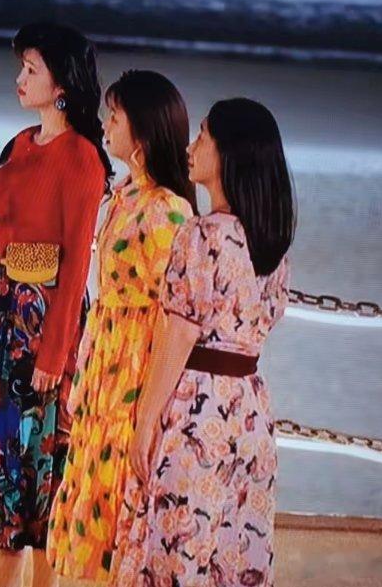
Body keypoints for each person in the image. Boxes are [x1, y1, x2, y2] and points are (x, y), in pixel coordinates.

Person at [0, 22, 113, 587]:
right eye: (21, 67)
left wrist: (55, 354)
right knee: (3, 457)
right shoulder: (19, 144)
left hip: (43, 320)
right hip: (0, 310)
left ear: (60, 83)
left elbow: (76, 264)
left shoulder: (83, 158)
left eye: (31, 69)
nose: (20, 78)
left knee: (42, 463)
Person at [111, 98, 296, 587]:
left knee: (175, 550)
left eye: (203, 137)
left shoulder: (202, 235)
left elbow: (179, 334)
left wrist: (146, 420)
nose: (190, 147)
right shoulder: (273, 246)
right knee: (234, 551)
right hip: (250, 412)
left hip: (198, 409)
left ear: (229, 152)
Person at [47, 70, 196, 582]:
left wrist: (154, 405)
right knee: (96, 491)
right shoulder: (126, 194)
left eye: (116, 116)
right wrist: (84, 371)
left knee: (124, 499)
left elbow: (172, 315)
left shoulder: (170, 211)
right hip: (106, 360)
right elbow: (105, 295)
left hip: (137, 366)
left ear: (144, 132)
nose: (106, 124)